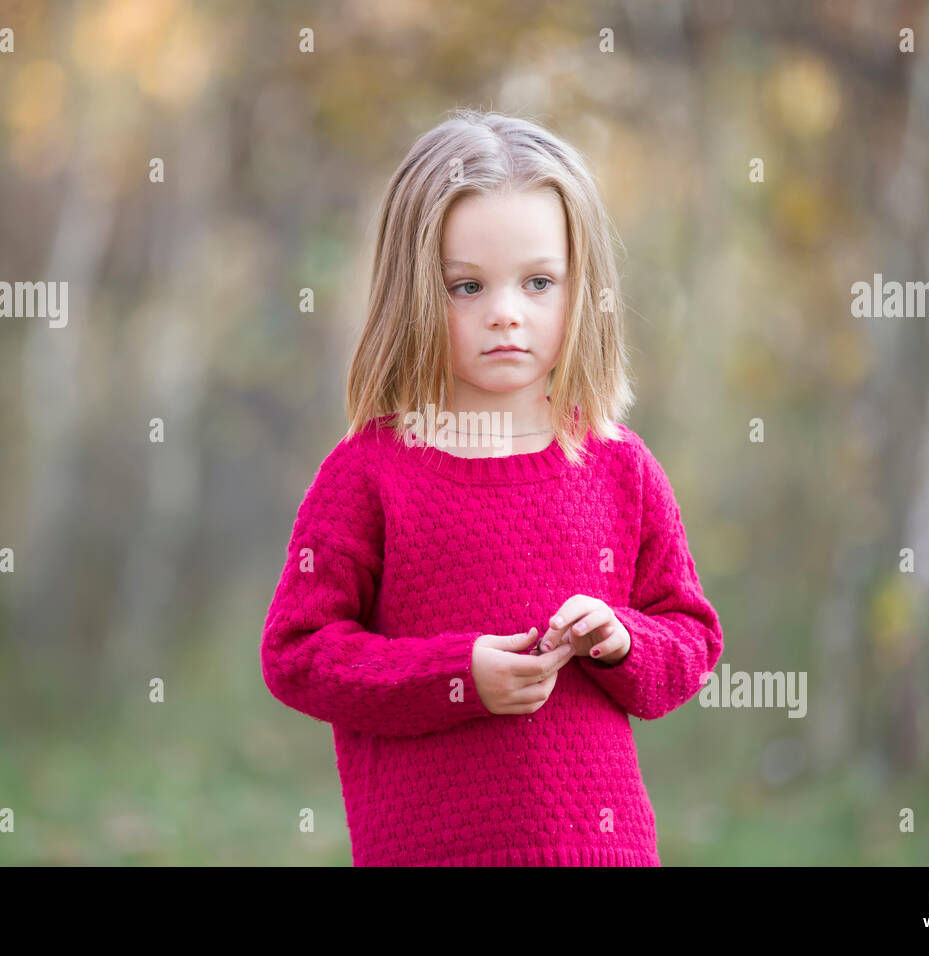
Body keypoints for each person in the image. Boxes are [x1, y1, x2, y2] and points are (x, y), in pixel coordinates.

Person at [260, 108, 724, 866]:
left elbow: (691, 638)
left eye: (538, 282)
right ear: (412, 291)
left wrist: (621, 641)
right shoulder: (370, 472)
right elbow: (299, 653)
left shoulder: (618, 465)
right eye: (467, 286)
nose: (506, 313)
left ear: (582, 289)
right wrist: (457, 676)